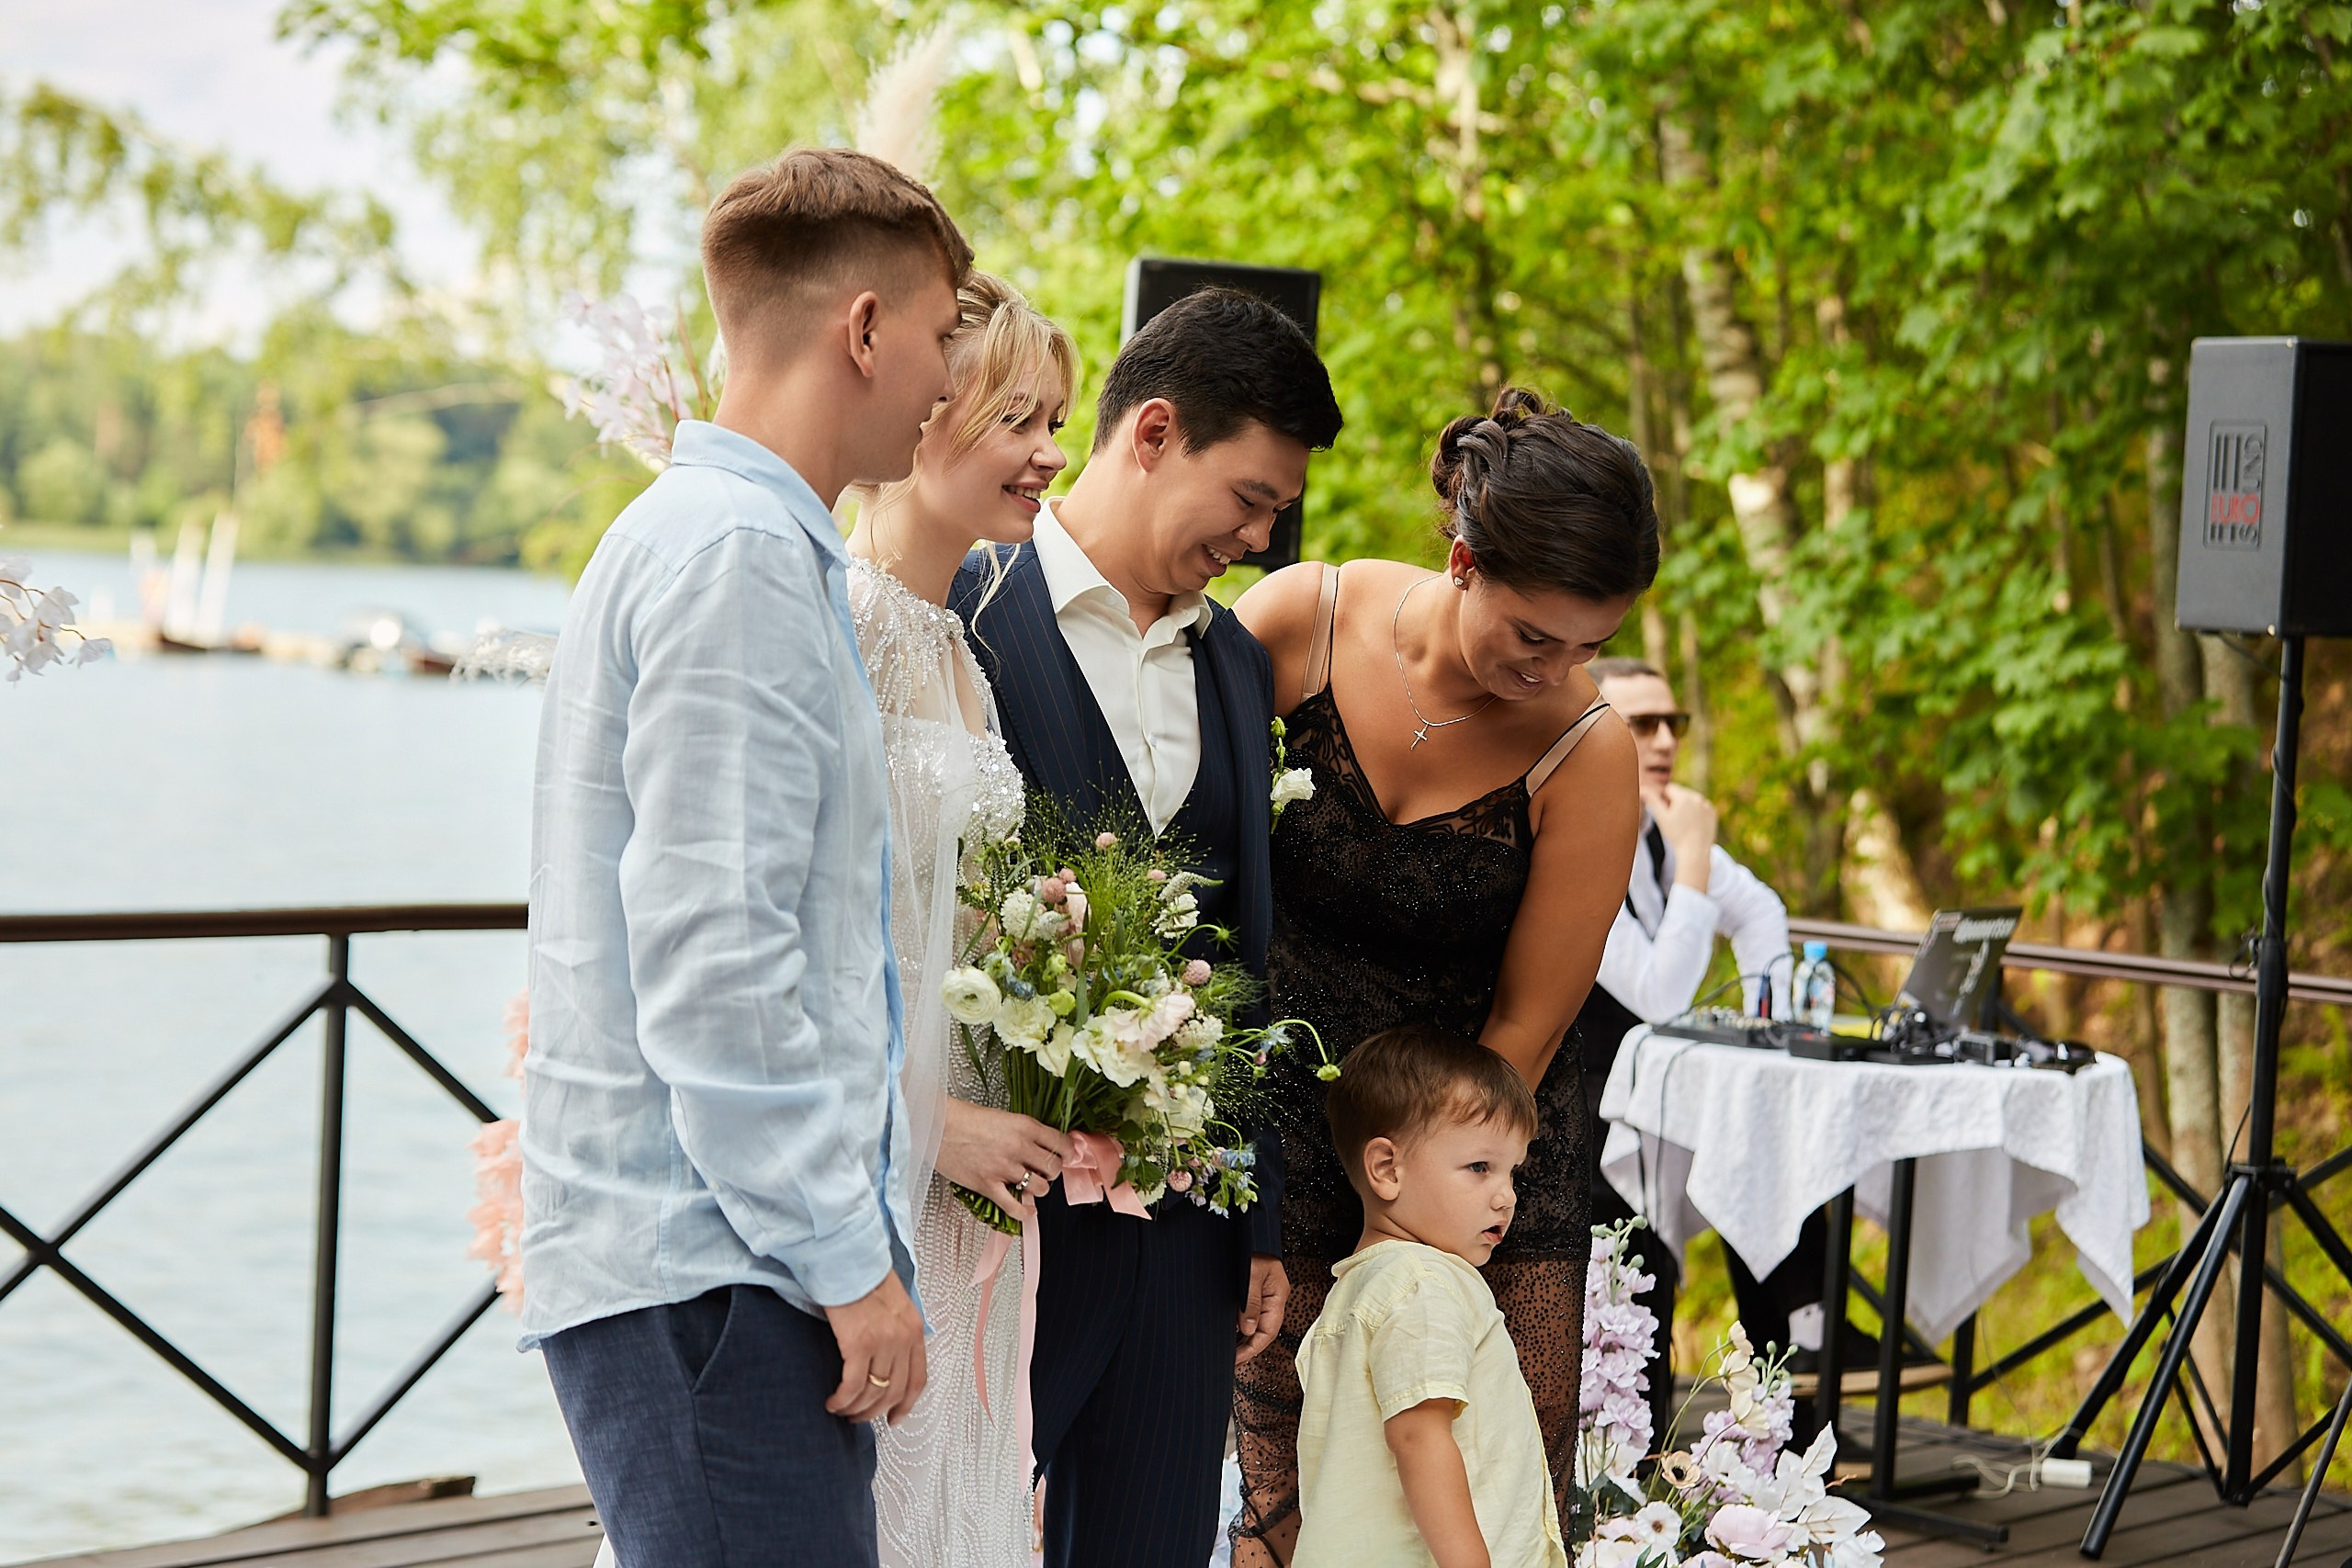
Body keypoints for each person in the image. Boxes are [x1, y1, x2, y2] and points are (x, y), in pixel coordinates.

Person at [520, 147, 968, 1568]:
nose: (951, 376)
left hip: (704, 1260)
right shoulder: (739, 556)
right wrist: (848, 1260)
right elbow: (719, 961)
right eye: (946, 332)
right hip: (718, 1268)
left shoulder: (711, 534)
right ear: (865, 329)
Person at [948, 286, 1344, 1568]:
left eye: (1277, 513)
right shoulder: (958, 601)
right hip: (995, 1214)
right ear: (1156, 430)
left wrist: (1263, 1215)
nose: (1260, 533)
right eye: (1251, 497)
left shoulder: (1233, 660)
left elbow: (1243, 951)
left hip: (1185, 1231)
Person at [1233, 387, 1658, 1563]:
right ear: (1463, 559)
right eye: (1535, 636)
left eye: (1591, 645)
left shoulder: (1589, 749)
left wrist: (1423, 1202)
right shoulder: (1295, 621)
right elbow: (1185, 856)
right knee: (1286, 1483)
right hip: (1272, 1120)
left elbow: (1529, 1020)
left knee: (1477, 1491)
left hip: (1466, 1153)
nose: (1560, 669)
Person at [847, 272, 1080, 1568]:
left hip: (988, 1170)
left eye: (1054, 421)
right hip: (898, 1154)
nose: (1052, 454)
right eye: (1021, 420)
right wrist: (930, 1122)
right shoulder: (845, 628)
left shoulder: (961, 651)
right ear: (928, 410)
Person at [1571, 655, 1793, 1441]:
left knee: (1778, 1180)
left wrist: (1772, 1015)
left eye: (1675, 723)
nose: (1665, 740)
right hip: (1574, 1120)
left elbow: (1762, 912)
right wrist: (1694, 855)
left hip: (1654, 1122)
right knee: (1618, 1309)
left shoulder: (1658, 833)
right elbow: (1661, 993)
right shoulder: (1578, 832)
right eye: (1643, 723)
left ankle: (1785, 1414)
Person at [1292, 1024, 1567, 1568]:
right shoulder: (1424, 1283)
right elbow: (1418, 1434)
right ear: (1387, 1169)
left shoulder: (1359, 1288)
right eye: (1479, 1168)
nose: (1506, 1196)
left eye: (1512, 1171)